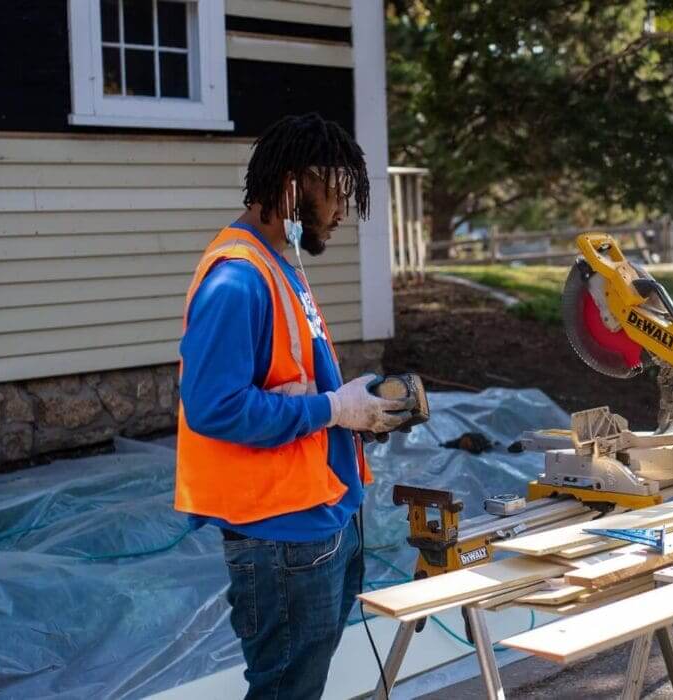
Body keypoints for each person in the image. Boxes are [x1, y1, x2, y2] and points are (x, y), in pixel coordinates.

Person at [174, 113, 413, 699]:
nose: (340, 211)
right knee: (286, 689)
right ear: (290, 185)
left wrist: (358, 412)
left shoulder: (283, 263)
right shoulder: (237, 280)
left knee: (302, 684)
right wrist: (334, 411)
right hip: (281, 537)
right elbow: (214, 408)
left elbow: (300, 384)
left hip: (321, 516)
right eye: (333, 192)